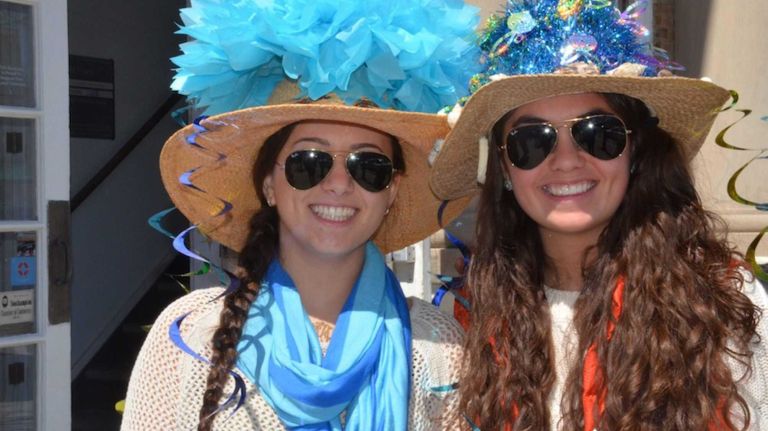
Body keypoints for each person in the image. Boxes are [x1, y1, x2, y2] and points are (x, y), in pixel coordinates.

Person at [120, 0, 478, 429]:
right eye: (309, 162)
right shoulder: (191, 336)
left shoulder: (438, 345)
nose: (339, 184)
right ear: (269, 185)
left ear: (391, 190)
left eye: (369, 167)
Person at [429, 2, 768, 430]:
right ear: (505, 170)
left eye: (598, 134)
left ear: (635, 153)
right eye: (532, 141)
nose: (566, 161)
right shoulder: (466, 321)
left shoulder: (718, 306)